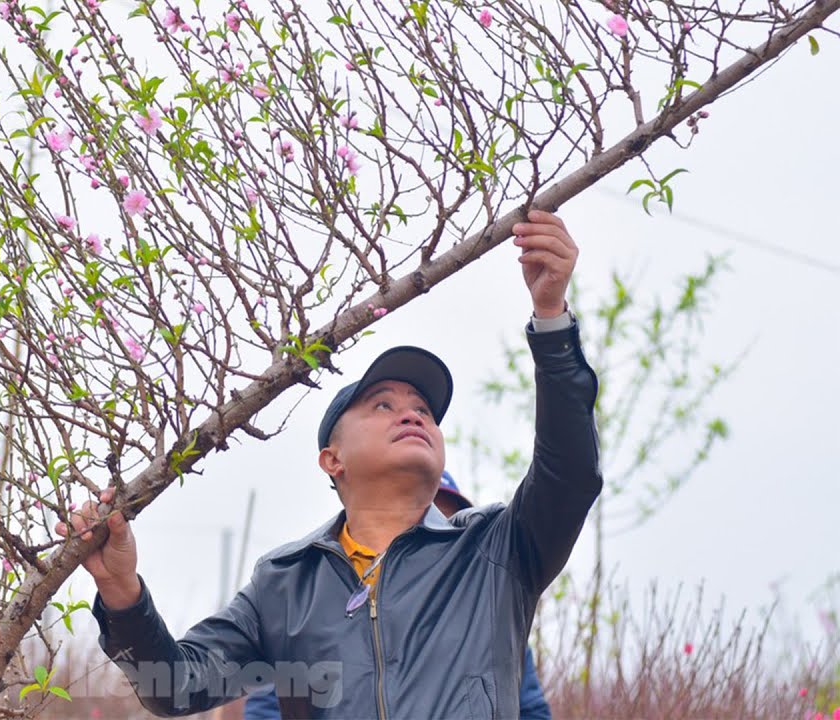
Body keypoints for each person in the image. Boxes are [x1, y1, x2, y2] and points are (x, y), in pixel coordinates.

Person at [62, 210, 600, 718]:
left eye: (423, 410)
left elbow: (569, 473)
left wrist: (551, 320)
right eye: (383, 405)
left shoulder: (494, 552)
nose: (412, 415)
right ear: (332, 460)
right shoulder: (286, 583)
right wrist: (122, 592)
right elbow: (175, 685)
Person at [241, 472, 553, 720]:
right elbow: (269, 706)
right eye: (416, 526)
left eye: (443, 526)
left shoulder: (491, 627)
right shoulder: (319, 615)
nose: (429, 539)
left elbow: (531, 711)